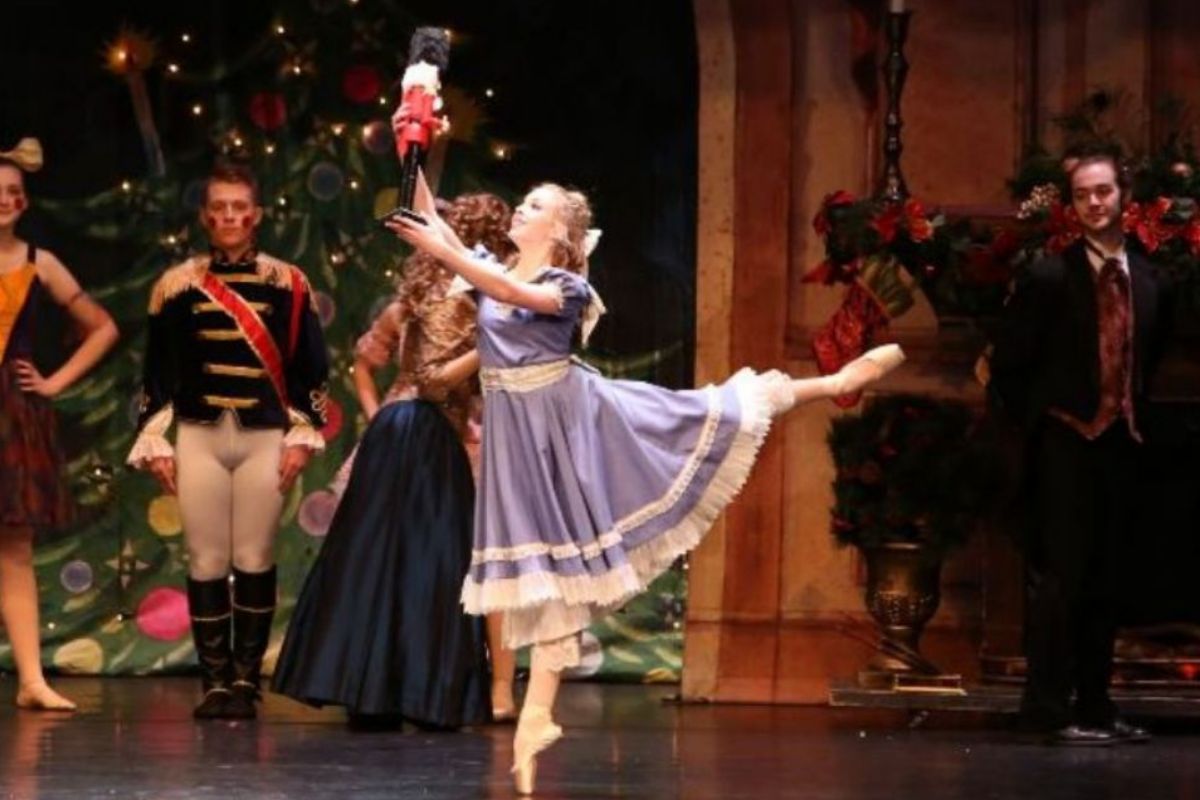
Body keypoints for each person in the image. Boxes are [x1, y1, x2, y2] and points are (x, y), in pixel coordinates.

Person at [390, 176, 904, 793]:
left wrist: (445, 250)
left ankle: (833, 383)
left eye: (535, 205)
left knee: (709, 412)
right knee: (555, 576)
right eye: (524, 202)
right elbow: (435, 222)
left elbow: (502, 289)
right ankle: (536, 719)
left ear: (561, 232)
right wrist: (414, 135)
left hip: (573, 429)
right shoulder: (493, 269)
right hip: (519, 442)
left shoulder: (565, 286)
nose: (520, 209)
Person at [272, 191, 517, 728]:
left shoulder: (487, 303)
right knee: (416, 558)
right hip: (418, 430)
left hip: (443, 434)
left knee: (409, 559)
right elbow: (416, 378)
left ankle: (391, 687)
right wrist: (378, 413)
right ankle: (410, 689)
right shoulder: (446, 302)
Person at [127, 161, 330, 720]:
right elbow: (158, 370)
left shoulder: (288, 283)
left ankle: (246, 680)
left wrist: (302, 433)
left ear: (255, 214)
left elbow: (310, 366)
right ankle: (215, 682)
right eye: (219, 207)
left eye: (239, 207)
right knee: (207, 557)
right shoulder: (177, 286)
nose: (230, 216)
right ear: (205, 216)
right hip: (199, 433)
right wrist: (154, 437)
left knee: (254, 554)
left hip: (264, 434)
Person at [991, 150, 1171, 746]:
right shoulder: (1049, 277)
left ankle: (1096, 705)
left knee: (1106, 581)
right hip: (1066, 441)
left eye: (1103, 192)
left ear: (1125, 197)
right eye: (1082, 194)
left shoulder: (1150, 279)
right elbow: (1011, 365)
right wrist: (1044, 425)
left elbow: (1149, 358)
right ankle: (1047, 708)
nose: (1094, 203)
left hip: (1121, 442)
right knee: (1060, 581)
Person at [0, 137, 119, 711]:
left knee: (14, 547)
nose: (4, 200)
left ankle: (31, 680)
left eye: (12, 192)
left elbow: (102, 326)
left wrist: (52, 382)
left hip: (12, 414)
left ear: (24, 202)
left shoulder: (37, 262)